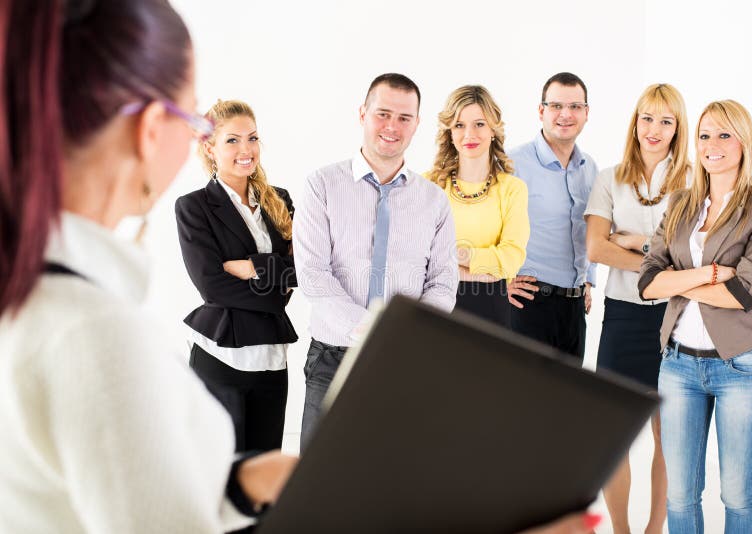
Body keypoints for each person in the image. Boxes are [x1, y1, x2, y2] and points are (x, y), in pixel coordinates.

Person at [0, 1, 297, 532]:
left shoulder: (37, 294)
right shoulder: (98, 336)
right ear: (153, 128)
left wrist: (244, 483)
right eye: (194, 120)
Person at [638, 100, 752, 533]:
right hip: (678, 366)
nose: (712, 145)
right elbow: (647, 282)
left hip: (741, 366)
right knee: (681, 496)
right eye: (704, 135)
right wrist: (710, 273)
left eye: (724, 134)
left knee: (737, 495)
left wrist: (676, 281)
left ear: (744, 142)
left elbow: (745, 293)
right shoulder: (681, 203)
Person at [293, 73, 459, 452]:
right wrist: (372, 330)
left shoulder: (434, 201)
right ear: (362, 114)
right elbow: (314, 274)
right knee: (319, 476)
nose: (392, 126)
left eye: (404, 118)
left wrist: (404, 334)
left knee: (390, 474)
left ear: (416, 124)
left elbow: (443, 282)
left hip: (405, 359)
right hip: (332, 358)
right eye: (383, 114)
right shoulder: (322, 185)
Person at [584, 83, 691, 534]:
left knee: (669, 436)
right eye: (647, 118)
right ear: (635, 123)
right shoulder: (609, 178)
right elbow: (596, 248)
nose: (654, 129)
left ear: (677, 129)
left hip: (676, 319)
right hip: (623, 317)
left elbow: (691, 256)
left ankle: (653, 529)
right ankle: (622, 531)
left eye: (666, 121)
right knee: (613, 435)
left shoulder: (693, 181)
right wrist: (657, 264)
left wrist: (637, 243)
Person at [176, 99, 297, 454]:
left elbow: (303, 270)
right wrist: (275, 288)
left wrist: (252, 267)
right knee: (220, 468)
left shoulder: (281, 201)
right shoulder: (194, 207)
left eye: (252, 138)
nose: (246, 150)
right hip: (220, 357)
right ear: (210, 148)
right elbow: (213, 286)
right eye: (232, 140)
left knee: (265, 466)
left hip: (272, 358)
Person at [507, 72, 598, 361]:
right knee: (523, 390)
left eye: (575, 107)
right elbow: (487, 224)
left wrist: (588, 280)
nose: (565, 115)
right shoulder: (513, 164)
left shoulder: (589, 168)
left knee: (568, 391)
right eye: (556, 106)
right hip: (528, 304)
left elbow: (593, 228)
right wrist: (499, 281)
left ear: (586, 113)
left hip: (574, 310)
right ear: (541, 111)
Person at [427, 85, 529, 327]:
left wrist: (453, 255)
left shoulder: (512, 189)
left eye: (479, 124)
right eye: (459, 125)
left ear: (493, 129)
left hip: (490, 311)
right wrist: (484, 272)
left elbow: (511, 259)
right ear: (449, 132)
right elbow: (414, 256)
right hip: (434, 306)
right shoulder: (428, 185)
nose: (469, 134)